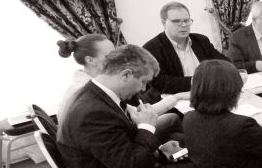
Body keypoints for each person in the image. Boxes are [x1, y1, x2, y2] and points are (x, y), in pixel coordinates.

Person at [57, 44, 196, 168]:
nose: (143, 89)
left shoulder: (96, 95)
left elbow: (120, 147)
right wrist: (146, 128)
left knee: (187, 151)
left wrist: (157, 150)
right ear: (126, 75)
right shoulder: (92, 112)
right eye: (143, 82)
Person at [57, 35, 185, 137]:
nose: (118, 58)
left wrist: (177, 97)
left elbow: (136, 113)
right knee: (174, 119)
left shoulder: (97, 85)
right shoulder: (88, 95)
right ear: (90, 60)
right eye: (111, 54)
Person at [142, 2, 227, 95]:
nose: (183, 25)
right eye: (176, 21)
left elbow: (224, 63)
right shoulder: (151, 48)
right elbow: (159, 82)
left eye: (186, 20)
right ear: (164, 23)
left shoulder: (201, 40)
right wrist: (196, 81)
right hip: (173, 98)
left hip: (209, 92)